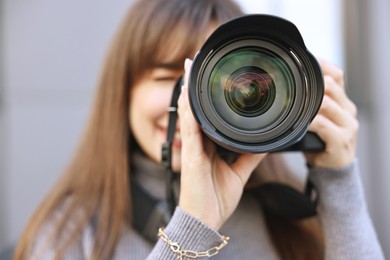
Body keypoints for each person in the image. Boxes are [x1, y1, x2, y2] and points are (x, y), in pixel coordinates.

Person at [14, 0, 384, 259]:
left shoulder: (288, 216)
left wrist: (338, 181)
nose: (189, 103)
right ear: (123, 92)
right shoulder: (71, 235)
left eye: (219, 82)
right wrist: (194, 223)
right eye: (166, 76)